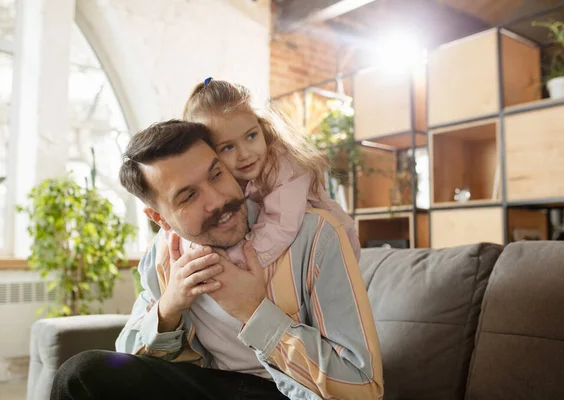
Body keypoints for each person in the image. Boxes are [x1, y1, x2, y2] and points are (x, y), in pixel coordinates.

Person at [50, 120, 383, 400]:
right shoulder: (165, 254)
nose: (219, 200)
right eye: (188, 196)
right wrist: (168, 309)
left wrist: (254, 311)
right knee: (80, 375)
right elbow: (128, 356)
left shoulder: (315, 235)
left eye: (216, 175)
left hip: (287, 394)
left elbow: (364, 387)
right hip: (210, 386)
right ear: (160, 218)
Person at [167, 77, 360, 268]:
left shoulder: (283, 164)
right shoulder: (224, 180)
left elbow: (280, 225)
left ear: (261, 126)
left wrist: (236, 261)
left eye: (251, 136)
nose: (245, 154)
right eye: (227, 147)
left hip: (336, 252)